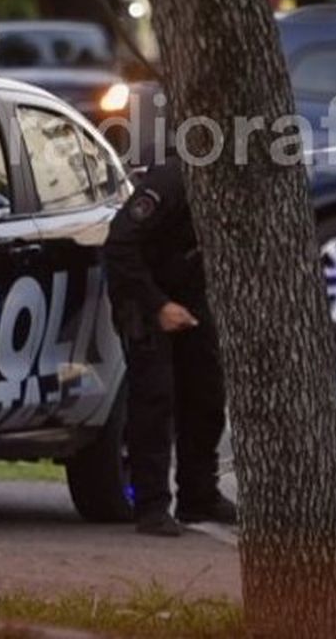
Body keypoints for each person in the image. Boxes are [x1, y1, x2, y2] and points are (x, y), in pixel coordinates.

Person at [104, 156, 237, 537]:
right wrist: (157, 305)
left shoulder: (236, 186)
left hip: (189, 293)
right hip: (142, 296)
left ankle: (199, 496)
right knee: (154, 400)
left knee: (207, 394)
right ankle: (151, 506)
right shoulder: (171, 184)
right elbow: (119, 245)